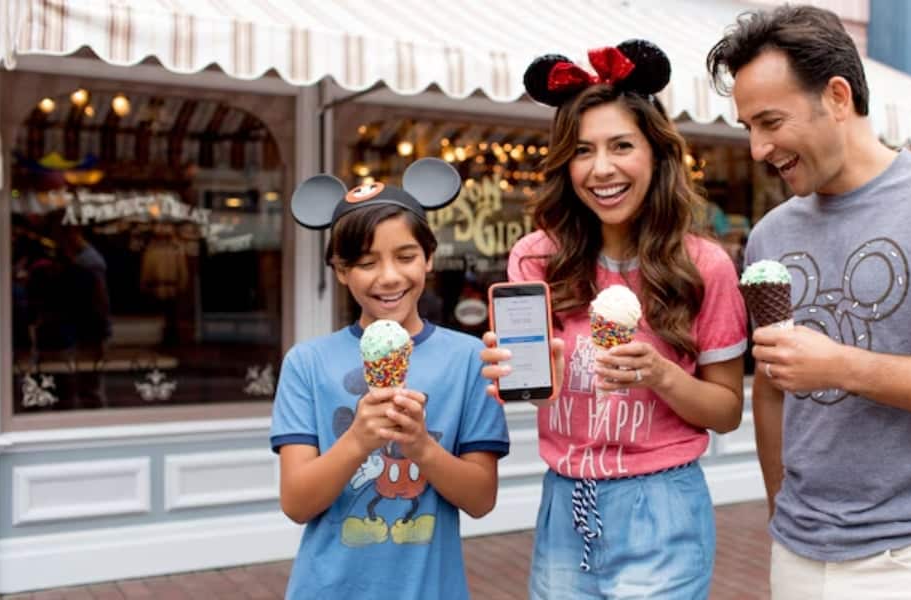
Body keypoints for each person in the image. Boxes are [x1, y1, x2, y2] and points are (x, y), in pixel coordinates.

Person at [706, 5, 911, 599]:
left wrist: (843, 366)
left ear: (837, 96)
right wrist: (781, 511)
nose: (758, 148)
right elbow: (774, 390)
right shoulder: (770, 235)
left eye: (771, 121)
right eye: (748, 128)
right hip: (799, 550)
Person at [480, 40, 747, 599]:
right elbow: (536, 395)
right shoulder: (536, 257)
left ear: (655, 153)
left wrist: (661, 375)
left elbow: (725, 412)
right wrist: (520, 375)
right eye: (582, 151)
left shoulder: (703, 266)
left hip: (663, 506)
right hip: (565, 503)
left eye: (621, 146)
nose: (601, 169)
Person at [270, 159, 510, 599]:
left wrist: (420, 445)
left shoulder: (469, 358)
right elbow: (297, 503)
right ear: (341, 270)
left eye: (406, 256)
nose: (389, 277)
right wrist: (359, 439)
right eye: (365, 262)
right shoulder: (306, 362)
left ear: (429, 258)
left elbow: (480, 500)